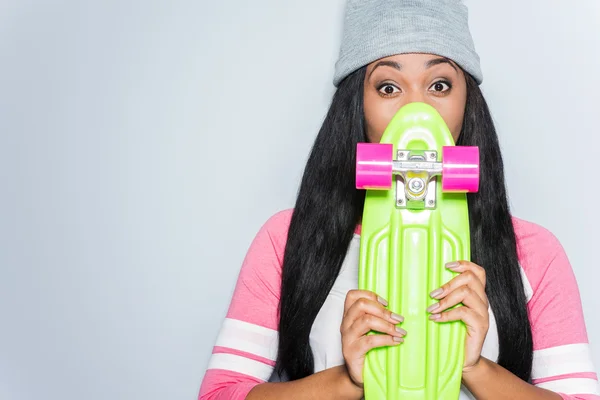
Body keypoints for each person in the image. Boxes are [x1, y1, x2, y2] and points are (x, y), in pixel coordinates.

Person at [198, 0, 599, 399]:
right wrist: (347, 381)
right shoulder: (288, 240)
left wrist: (475, 368)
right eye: (388, 87)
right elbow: (219, 394)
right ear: (356, 104)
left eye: (439, 85)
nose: (416, 113)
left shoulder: (533, 253)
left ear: (467, 101)